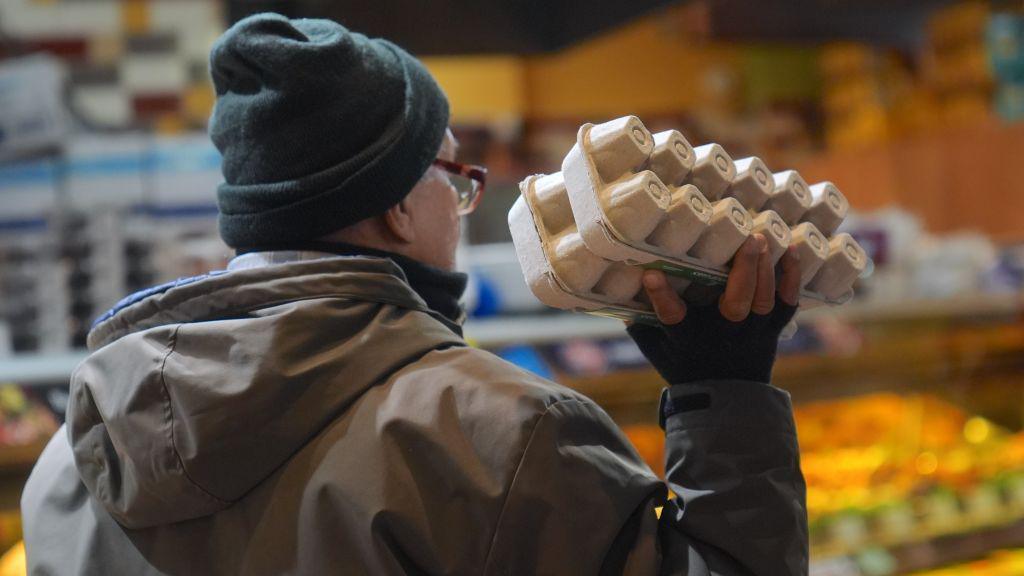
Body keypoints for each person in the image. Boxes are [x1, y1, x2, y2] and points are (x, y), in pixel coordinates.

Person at [21, 13, 807, 576]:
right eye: (457, 175)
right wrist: (727, 394)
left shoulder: (75, 455)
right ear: (399, 202)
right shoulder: (506, 439)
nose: (463, 203)